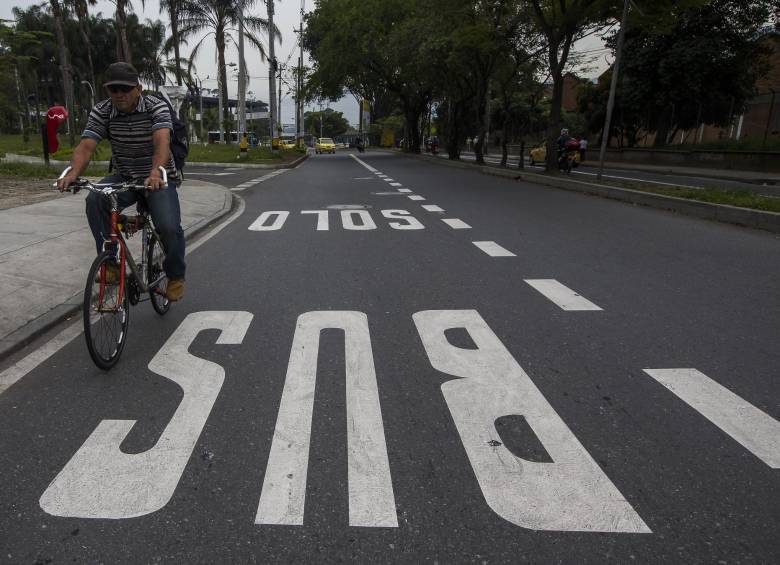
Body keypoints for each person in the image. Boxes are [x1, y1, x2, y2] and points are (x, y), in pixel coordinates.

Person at [57, 62, 186, 301]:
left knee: (168, 226)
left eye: (125, 89)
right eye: (113, 89)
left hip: (156, 178)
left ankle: (176, 274)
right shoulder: (102, 111)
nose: (119, 94)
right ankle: (113, 264)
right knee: (95, 199)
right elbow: (86, 146)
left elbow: (162, 142)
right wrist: (72, 173)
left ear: (138, 88)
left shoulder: (155, 107)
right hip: (124, 175)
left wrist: (156, 171)